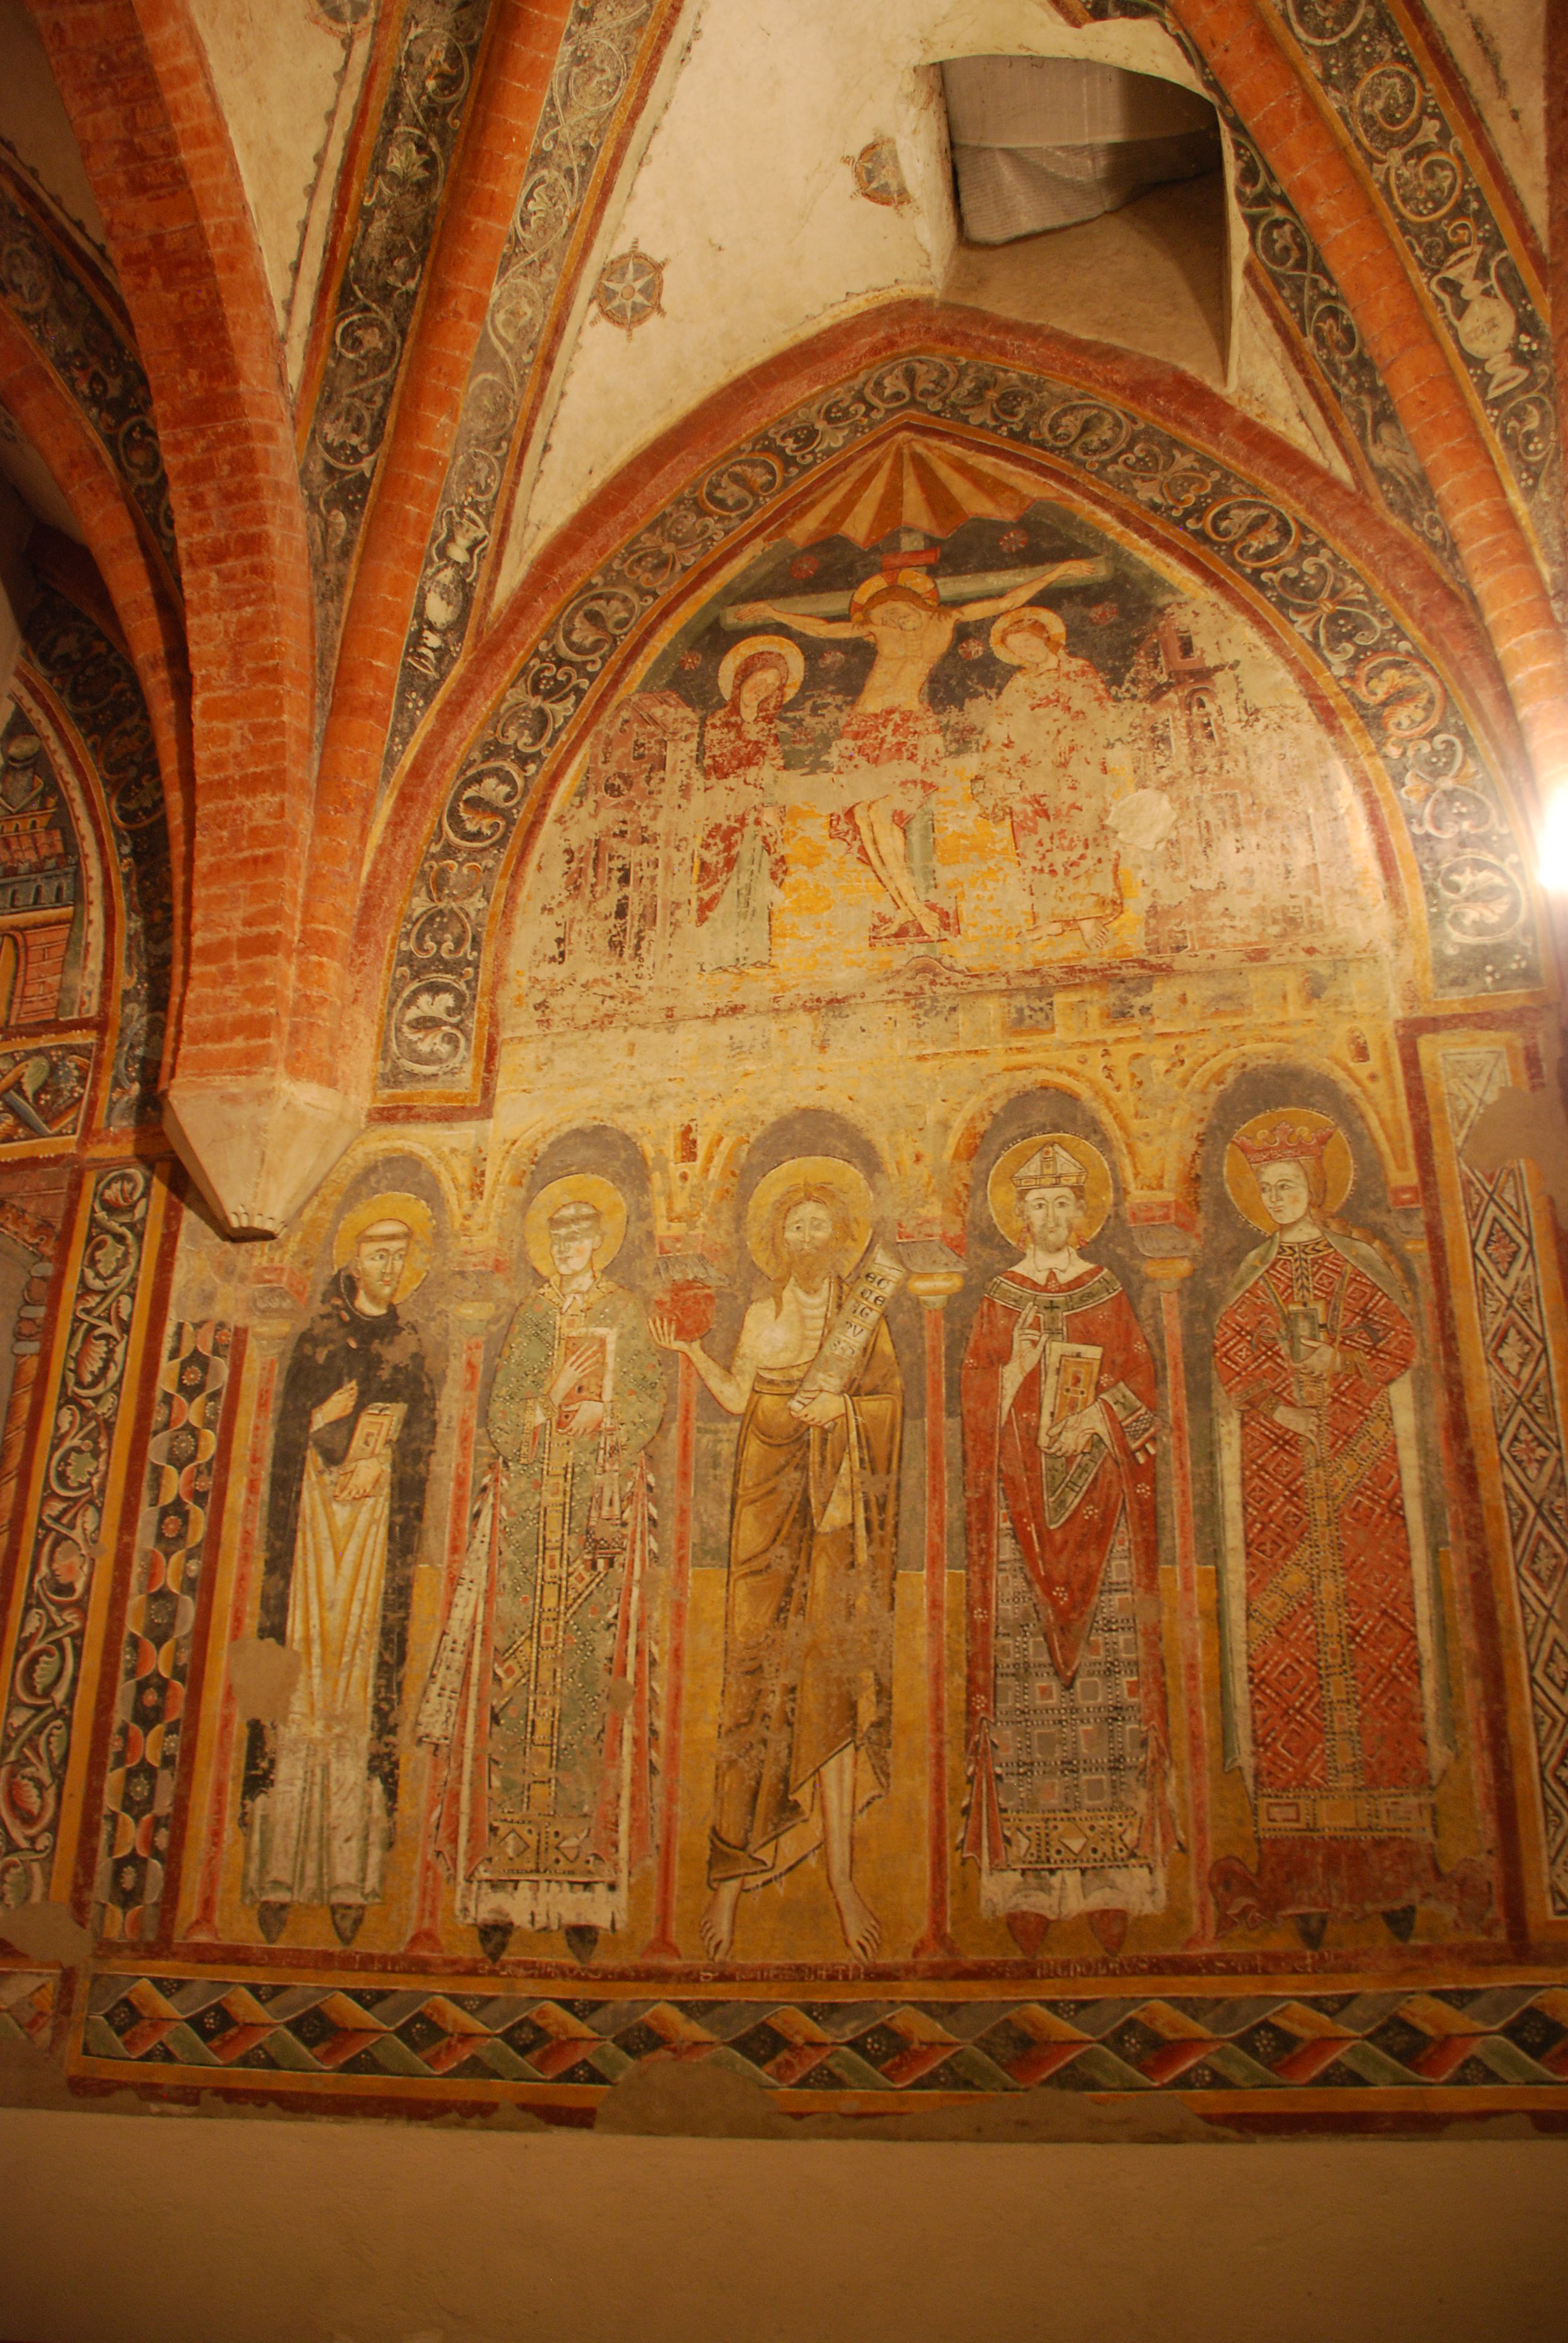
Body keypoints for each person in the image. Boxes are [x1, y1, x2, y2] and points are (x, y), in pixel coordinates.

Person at [1210, 1115, 1457, 1948]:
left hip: (1363, 1483)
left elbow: (1403, 1346)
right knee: (1290, 1660)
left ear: (1314, 1189)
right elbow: (1230, 1361)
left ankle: (1396, 1870)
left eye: (1290, 1186)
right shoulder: (1253, 1275)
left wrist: (1343, 1362)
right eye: (1267, 1188)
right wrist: (1276, 1403)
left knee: (1378, 1647)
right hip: (1280, 1485)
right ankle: (1300, 1873)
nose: (1279, 1199)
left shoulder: (1361, 1267)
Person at [652, 1158, 904, 1961]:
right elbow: (737, 1397)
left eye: (819, 1228)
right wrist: (691, 1353)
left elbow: (888, 1402)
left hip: (833, 1510)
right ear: (776, 1240)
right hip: (763, 1495)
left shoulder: (862, 1320)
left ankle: (842, 1880)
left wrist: (847, 1410)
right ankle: (728, 1886)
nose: (806, 1239)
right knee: (755, 1681)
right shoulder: (760, 1310)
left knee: (828, 1684)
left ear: (839, 1241)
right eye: (794, 1227)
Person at [422, 1179, 665, 1965]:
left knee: (587, 1683)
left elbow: (648, 1399)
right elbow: (502, 1411)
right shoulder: (532, 1316)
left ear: (601, 1243)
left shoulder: (625, 1314)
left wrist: (611, 1421)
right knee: (513, 1681)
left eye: (582, 1238)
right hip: (529, 1514)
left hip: (595, 1516)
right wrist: (538, 1412)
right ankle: (501, 1874)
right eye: (559, 1241)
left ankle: (583, 1876)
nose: (570, 1251)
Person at [960, 1138, 1171, 1958]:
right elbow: (975, 1394)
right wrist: (1011, 1375)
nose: (1048, 1216)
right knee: (1025, 1686)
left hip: (1102, 1515)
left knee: (1105, 1693)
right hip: (1020, 1516)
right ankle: (1031, 1880)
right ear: (1018, 1215)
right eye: (1035, 1204)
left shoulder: (1107, 1291)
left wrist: (1101, 1416)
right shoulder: (1000, 1294)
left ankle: (1115, 1873)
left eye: (1062, 1203)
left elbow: (1145, 1393)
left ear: (1084, 1212)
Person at [242, 1199, 437, 1946]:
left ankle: (353, 1873)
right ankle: (278, 1870)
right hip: (316, 1528)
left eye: (400, 1253)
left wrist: (380, 1446)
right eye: (377, 1253)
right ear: (353, 1261)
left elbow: (421, 1430)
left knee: (359, 1677)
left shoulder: (414, 1341)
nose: (390, 1266)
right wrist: (329, 1423)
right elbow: (291, 1429)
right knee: (306, 1678)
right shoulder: (319, 1336)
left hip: (373, 1528)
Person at [730, 555, 1097, 942]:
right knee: (864, 816)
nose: (892, 622)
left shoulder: (946, 620)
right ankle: (907, 908)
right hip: (864, 729)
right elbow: (824, 629)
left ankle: (915, 908)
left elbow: (1006, 601)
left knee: (884, 813)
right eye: (883, 615)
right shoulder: (880, 631)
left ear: (918, 604)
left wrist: (1057, 571)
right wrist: (774, 611)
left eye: (898, 612)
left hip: (906, 726)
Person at [973, 608, 1126, 949]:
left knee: (1077, 837)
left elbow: (1101, 712)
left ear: (1044, 638)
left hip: (1074, 770)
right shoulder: (1019, 683)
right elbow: (999, 730)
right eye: (1016, 648)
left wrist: (1073, 734)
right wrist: (996, 770)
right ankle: (1049, 919)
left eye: (1027, 643)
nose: (1024, 652)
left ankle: (1088, 915)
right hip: (1028, 774)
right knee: (1034, 843)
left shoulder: (1077, 671)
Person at [694, 638, 796, 968]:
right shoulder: (718, 722)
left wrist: (775, 809)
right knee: (724, 878)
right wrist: (755, 801)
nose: (761, 689)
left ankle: (752, 953)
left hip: (760, 820)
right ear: (743, 678)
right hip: (727, 815)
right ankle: (718, 955)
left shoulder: (768, 730)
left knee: (756, 876)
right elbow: (720, 770)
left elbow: (776, 774)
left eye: (771, 686)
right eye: (758, 680)